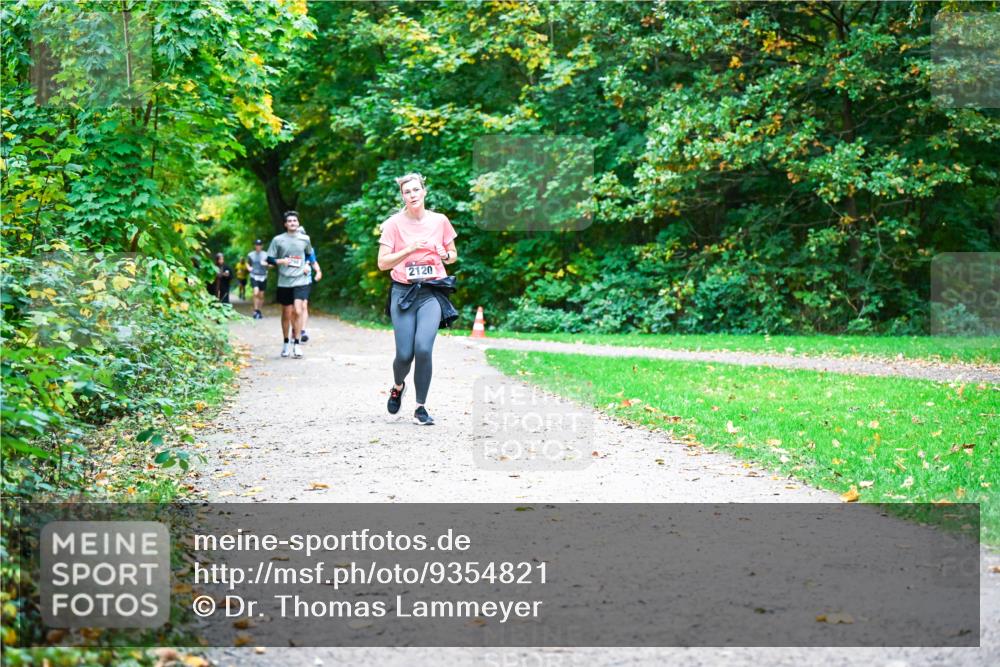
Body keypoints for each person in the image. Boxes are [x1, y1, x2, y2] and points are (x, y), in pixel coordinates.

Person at [377, 173, 458, 425]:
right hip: (403, 293)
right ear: (403, 196)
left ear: (424, 192)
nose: (412, 195)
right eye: (407, 191)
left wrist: (445, 255)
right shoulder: (393, 224)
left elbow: (452, 255)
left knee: (423, 348)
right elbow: (382, 263)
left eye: (416, 190)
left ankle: (420, 408)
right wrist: (410, 249)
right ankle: (398, 386)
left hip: (431, 292)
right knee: (404, 355)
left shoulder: (440, 221)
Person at [266, 212, 321, 358]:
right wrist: (281, 261)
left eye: (294, 220)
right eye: (289, 221)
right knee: (286, 312)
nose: (292, 223)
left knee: (298, 310)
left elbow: (309, 255)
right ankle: (286, 343)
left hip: (301, 280)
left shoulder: (305, 239)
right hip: (284, 281)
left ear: (298, 223)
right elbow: (269, 259)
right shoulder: (278, 240)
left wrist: (309, 265)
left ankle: (296, 344)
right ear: (285, 224)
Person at [247, 239, 269, 320]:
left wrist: (266, 264)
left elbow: (271, 265)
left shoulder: (266, 255)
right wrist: (249, 268)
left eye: (259, 245)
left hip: (263, 276)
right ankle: (255, 311)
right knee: (256, 292)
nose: (258, 246)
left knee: (261, 295)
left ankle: (259, 311)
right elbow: (247, 263)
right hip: (254, 275)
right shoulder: (250, 255)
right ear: (255, 246)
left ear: (262, 246)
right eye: (257, 245)